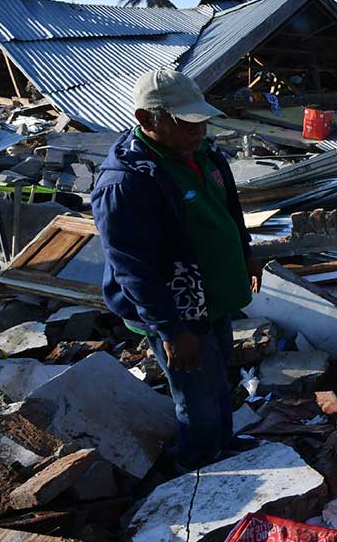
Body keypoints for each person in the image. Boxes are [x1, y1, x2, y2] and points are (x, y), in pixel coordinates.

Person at [91, 68, 263, 471]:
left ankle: (224, 444)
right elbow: (131, 266)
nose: (199, 130)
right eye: (187, 123)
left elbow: (229, 211)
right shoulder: (125, 181)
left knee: (219, 377)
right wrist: (171, 330)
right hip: (176, 310)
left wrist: (246, 251)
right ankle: (198, 466)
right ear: (147, 120)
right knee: (195, 392)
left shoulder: (203, 152)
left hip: (213, 297)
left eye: (202, 120)